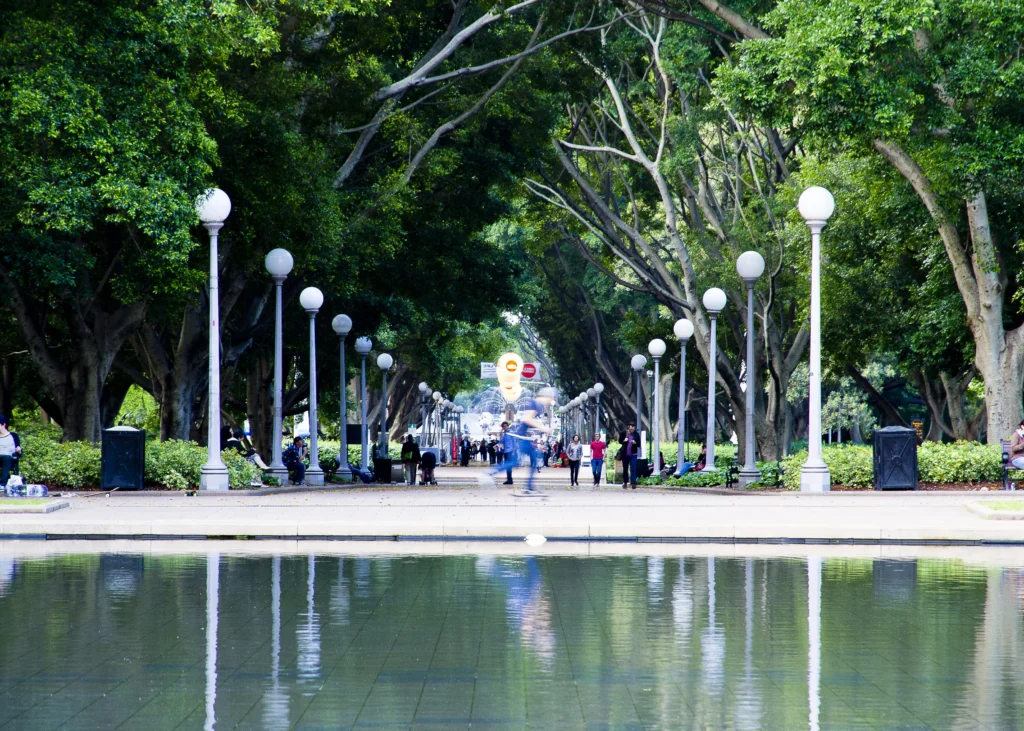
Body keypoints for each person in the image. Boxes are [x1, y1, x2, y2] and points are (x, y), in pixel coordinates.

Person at [0, 415, 22, 487]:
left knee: (6, 457)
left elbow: (19, 452)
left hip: (9, 458)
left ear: (3, 424)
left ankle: (2, 483)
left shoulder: (13, 436)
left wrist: (19, 450)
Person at [618, 424, 641, 489]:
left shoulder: (636, 434)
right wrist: (624, 440)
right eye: (629, 428)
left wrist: (635, 442)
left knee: (633, 468)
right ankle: (625, 482)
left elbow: (639, 444)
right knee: (625, 469)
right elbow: (619, 441)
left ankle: (633, 482)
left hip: (633, 454)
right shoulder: (624, 433)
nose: (631, 430)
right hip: (625, 454)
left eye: (632, 428)